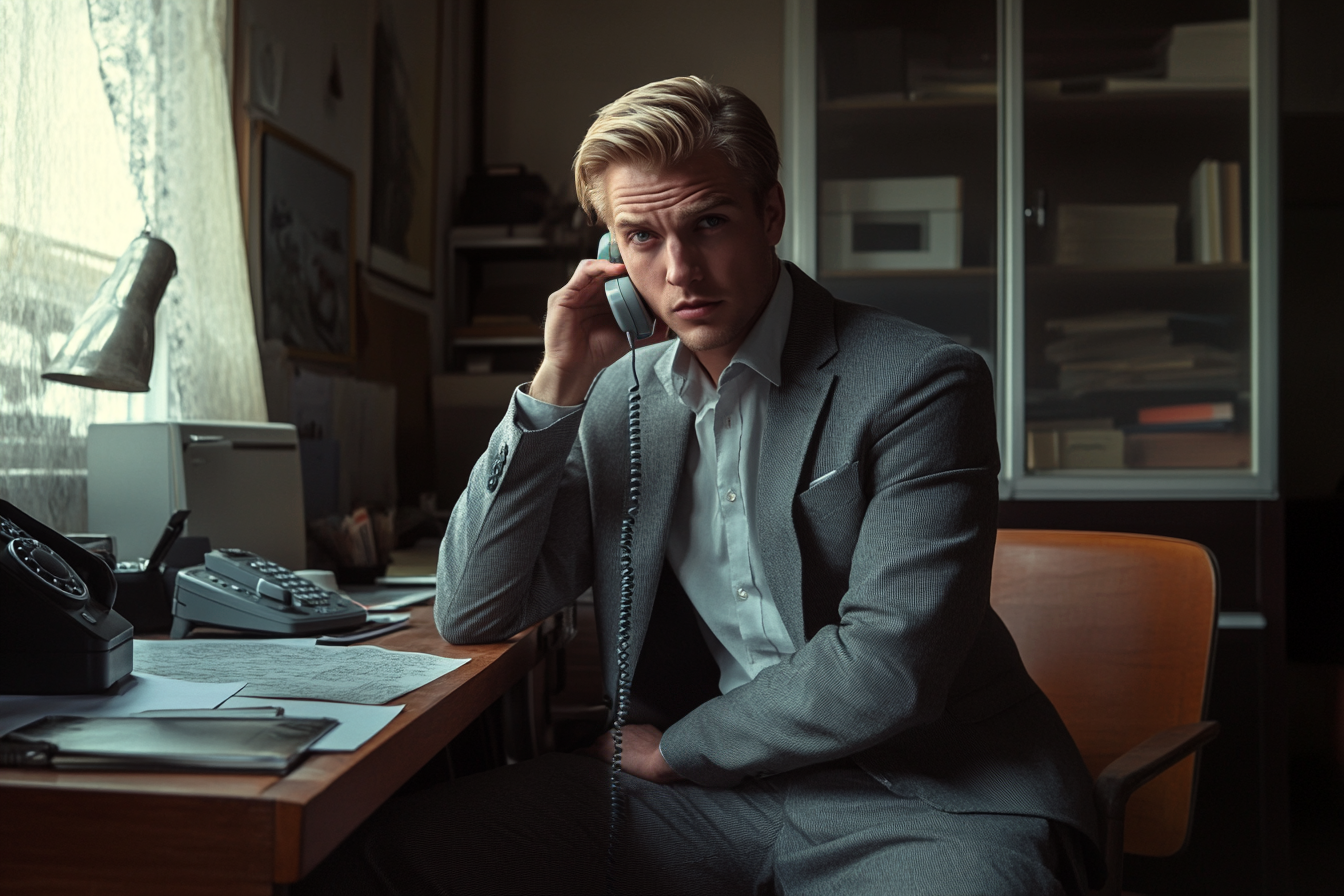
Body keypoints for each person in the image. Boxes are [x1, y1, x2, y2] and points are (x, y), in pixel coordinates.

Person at [315, 75, 1102, 895]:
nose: (680, 268)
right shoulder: (620, 397)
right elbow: (474, 607)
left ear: (770, 215)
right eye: (642, 237)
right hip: (703, 803)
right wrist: (554, 383)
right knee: (379, 860)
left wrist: (678, 746)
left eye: (709, 223)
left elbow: (888, 665)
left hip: (920, 795)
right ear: (612, 257)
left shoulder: (919, 382)